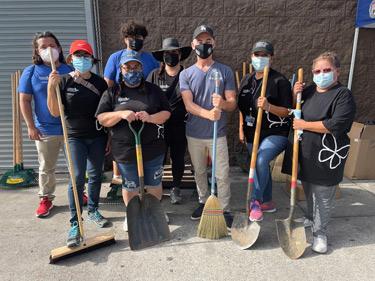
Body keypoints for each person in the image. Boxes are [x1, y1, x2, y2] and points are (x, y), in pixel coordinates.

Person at [287, 51, 355, 254]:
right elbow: (296, 110)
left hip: (327, 154)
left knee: (323, 195)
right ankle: (310, 217)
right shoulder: (308, 92)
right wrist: (294, 94)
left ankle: (320, 233)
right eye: (317, 71)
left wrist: (304, 125)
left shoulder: (343, 95)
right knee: (308, 189)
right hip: (306, 152)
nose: (321, 74)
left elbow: (337, 124)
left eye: (327, 70)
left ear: (337, 71)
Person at [96, 50, 171, 231]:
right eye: (127, 67)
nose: (132, 70)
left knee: (154, 183)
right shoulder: (112, 92)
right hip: (125, 150)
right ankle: (132, 214)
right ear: (121, 69)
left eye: (136, 66)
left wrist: (150, 117)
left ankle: (155, 210)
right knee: (130, 185)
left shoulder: (153, 90)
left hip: (153, 147)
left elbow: (166, 113)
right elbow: (101, 118)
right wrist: (120, 114)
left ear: (142, 68)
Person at [47, 40, 110, 247]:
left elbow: (106, 110)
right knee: (76, 178)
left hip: (98, 136)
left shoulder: (100, 83)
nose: (82, 59)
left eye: (86, 56)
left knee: (95, 174)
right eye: (78, 55)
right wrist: (51, 86)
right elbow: (55, 112)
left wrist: (108, 136)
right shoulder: (63, 81)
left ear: (92, 59)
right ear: (70, 59)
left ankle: (93, 210)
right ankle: (75, 221)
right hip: (74, 136)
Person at [179, 25, 236, 229]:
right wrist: (208, 113)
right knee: (200, 171)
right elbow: (188, 104)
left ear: (214, 43)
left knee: (221, 173)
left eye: (208, 41)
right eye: (200, 41)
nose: (204, 45)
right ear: (193, 44)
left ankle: (225, 208)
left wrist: (222, 104)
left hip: (216, 134)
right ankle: (204, 202)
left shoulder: (225, 71)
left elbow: (232, 102)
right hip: (194, 133)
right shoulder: (186, 74)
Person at [19, 31, 75, 218]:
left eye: (52, 45)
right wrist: (30, 126)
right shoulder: (31, 72)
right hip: (45, 129)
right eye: (43, 47)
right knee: (46, 167)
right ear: (37, 50)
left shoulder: (69, 70)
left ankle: (77, 193)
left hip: (69, 128)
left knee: (74, 166)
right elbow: (25, 100)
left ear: (59, 47)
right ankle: (46, 198)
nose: (48, 50)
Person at [238, 41, 292, 222]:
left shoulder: (279, 81)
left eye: (265, 55)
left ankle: (255, 201)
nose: (260, 58)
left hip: (275, 132)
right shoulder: (247, 80)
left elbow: (287, 112)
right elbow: (242, 108)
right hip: (251, 131)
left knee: (260, 159)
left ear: (271, 58)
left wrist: (268, 106)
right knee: (262, 166)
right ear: (251, 56)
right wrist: (240, 127)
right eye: (257, 55)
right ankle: (268, 201)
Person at [103, 20, 159, 185]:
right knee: (120, 141)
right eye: (131, 36)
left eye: (139, 36)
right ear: (124, 39)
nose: (135, 40)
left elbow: (155, 80)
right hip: (121, 107)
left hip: (145, 108)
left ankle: (148, 179)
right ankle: (118, 177)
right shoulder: (115, 57)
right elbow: (108, 83)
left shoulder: (150, 58)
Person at [147, 38, 192, 204]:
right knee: (158, 157)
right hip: (158, 125)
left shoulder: (187, 75)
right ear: (162, 56)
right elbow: (147, 97)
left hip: (180, 125)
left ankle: (176, 187)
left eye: (174, 52)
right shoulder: (154, 75)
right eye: (167, 53)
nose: (171, 56)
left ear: (180, 54)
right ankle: (155, 186)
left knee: (178, 157)